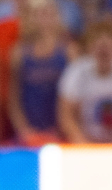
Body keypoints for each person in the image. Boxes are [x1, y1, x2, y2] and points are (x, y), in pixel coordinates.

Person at [7, 0, 71, 147]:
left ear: (58, 17)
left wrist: (61, 130)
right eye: (41, 14)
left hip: (59, 132)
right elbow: (14, 99)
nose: (46, 19)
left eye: (50, 13)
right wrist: (24, 130)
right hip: (28, 133)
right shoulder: (18, 53)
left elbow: (73, 100)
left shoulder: (69, 51)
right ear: (32, 18)